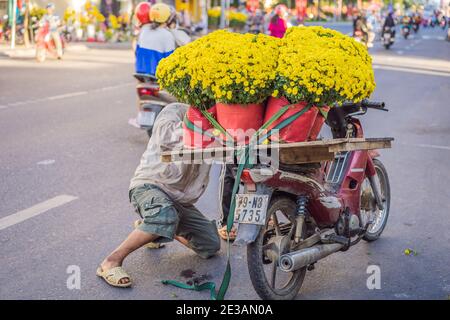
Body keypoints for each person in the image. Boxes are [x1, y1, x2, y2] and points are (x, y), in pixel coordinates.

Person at [97, 104, 221, 287]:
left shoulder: (221, 125)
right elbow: (166, 136)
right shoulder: (176, 110)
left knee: (210, 246)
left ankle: (152, 229)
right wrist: (206, 131)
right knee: (164, 215)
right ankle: (111, 262)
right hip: (150, 186)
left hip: (178, 200)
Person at [135, 3, 188, 76]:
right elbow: (170, 59)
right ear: (168, 18)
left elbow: (137, 51)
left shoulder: (144, 30)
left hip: (139, 72)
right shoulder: (167, 35)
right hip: (156, 74)